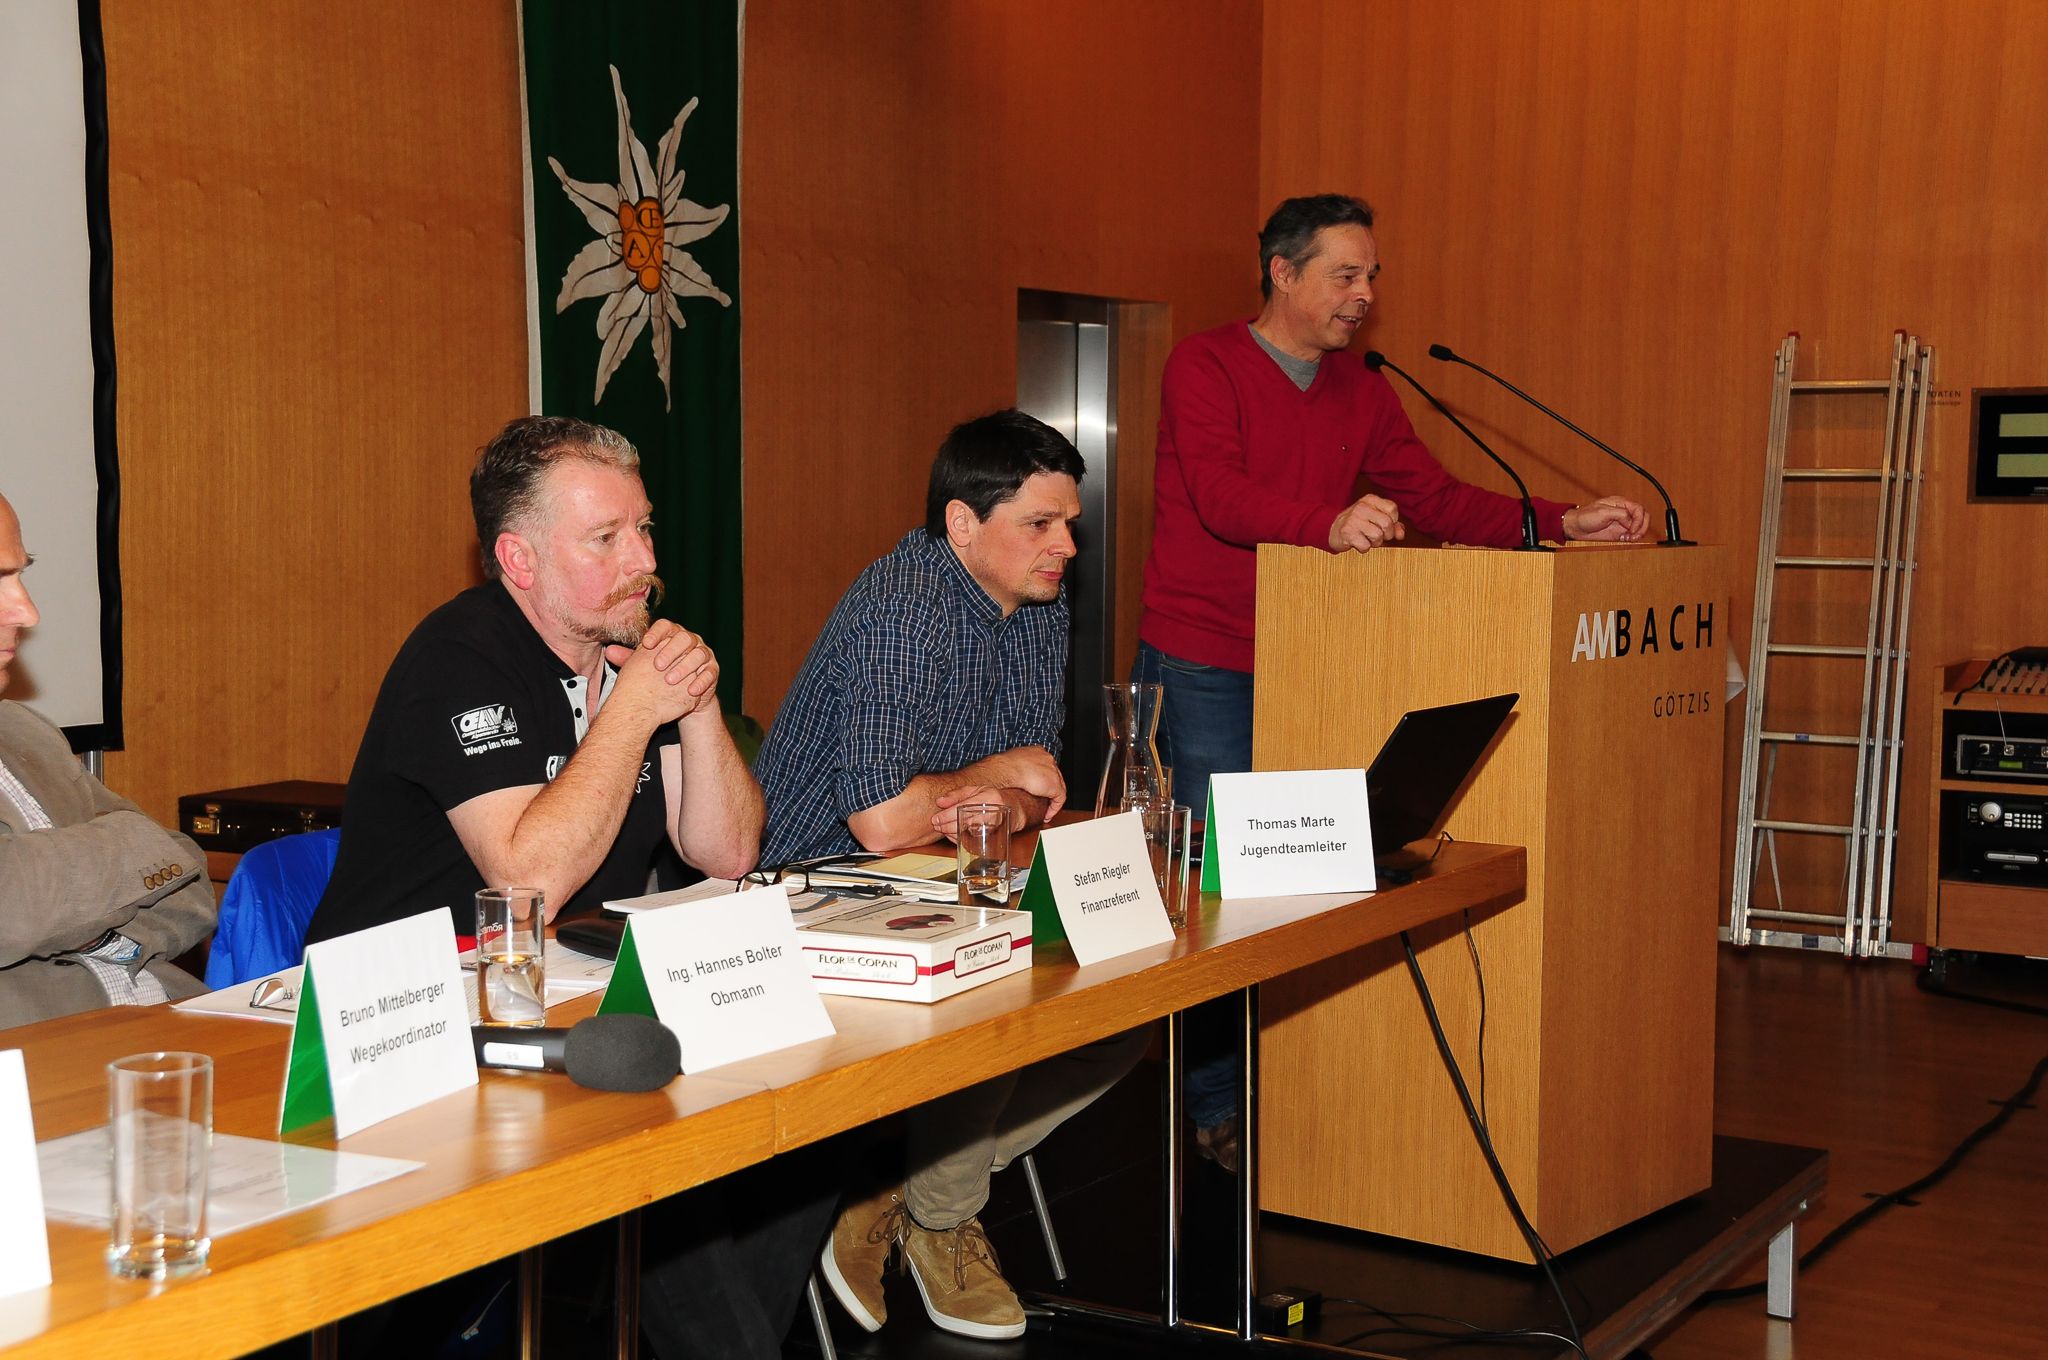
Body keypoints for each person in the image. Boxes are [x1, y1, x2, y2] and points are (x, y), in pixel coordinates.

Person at [1135, 193, 1649, 1168]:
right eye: (1345, 274)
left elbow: (1437, 498)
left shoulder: (1363, 391)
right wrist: (1325, 524)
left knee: (1307, 881)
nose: (1364, 294)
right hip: (1206, 661)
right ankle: (1214, 1108)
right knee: (1215, 893)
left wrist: (1560, 521)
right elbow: (1218, 494)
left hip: (1316, 658)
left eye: (1371, 275)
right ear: (1282, 273)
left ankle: (1295, 1087)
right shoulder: (1205, 365)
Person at [306, 416, 814, 1360]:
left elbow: (727, 851)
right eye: (606, 538)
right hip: (407, 1025)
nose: (644, 561)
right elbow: (527, 876)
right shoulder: (457, 658)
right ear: (520, 559)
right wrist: (635, 710)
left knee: (815, 1122)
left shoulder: (629, 659)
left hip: (561, 1003)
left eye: (644, 529)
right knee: (662, 1162)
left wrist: (695, 705)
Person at [755, 409, 1146, 1341]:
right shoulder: (902, 606)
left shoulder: (1036, 609)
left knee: (1131, 999)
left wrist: (1000, 790)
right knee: (1000, 989)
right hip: (810, 891)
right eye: (1041, 524)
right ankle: (944, 1215)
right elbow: (882, 820)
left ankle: (899, 1194)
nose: (1067, 547)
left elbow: (1038, 797)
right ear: (963, 524)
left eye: (1070, 524)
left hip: (940, 884)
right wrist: (998, 778)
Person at [0, 490, 216, 1029]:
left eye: (21, 574)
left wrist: (99, 936)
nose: (27, 611)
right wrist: (132, 845)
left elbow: (189, 879)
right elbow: (12, 904)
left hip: (166, 1023)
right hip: (54, 1056)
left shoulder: (23, 729)